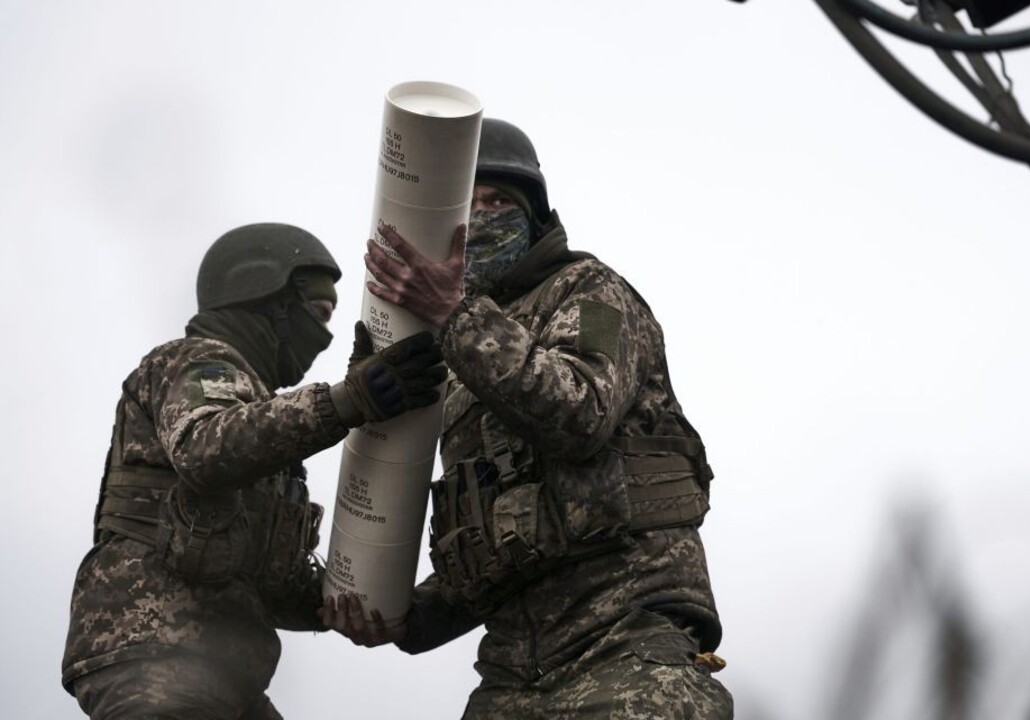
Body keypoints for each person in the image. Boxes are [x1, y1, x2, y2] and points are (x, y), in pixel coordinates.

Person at [322, 119, 733, 718]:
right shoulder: (458, 359)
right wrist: (406, 617)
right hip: (511, 675)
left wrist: (455, 315)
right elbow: (503, 535)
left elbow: (582, 410)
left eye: (500, 203)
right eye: (470, 205)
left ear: (534, 217)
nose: (483, 216)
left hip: (626, 648)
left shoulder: (594, 294)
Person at [61, 222, 447, 720]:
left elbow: (272, 581)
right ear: (268, 299)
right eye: (318, 313)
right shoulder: (198, 361)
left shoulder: (259, 415)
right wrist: (349, 400)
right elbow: (205, 448)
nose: (325, 336)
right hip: (154, 652)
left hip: (223, 668)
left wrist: (354, 602)